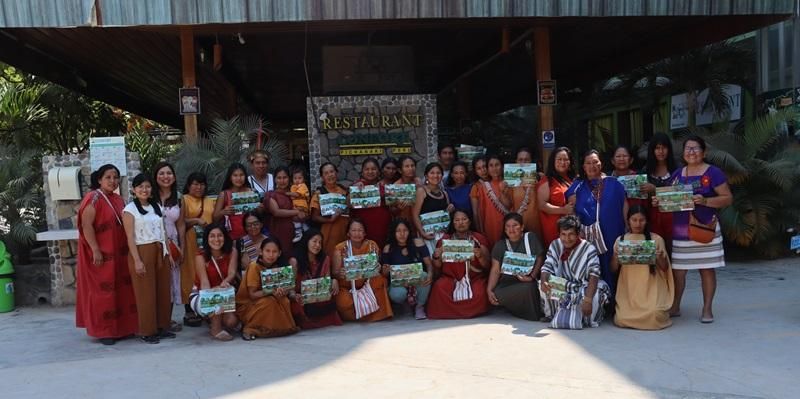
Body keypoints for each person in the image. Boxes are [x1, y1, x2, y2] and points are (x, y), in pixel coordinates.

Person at [658, 135, 732, 323]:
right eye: (687, 149)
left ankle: (707, 309)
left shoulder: (713, 172)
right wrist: (659, 200)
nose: (691, 152)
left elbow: (727, 198)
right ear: (683, 153)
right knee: (679, 271)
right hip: (681, 231)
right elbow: (668, 199)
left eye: (695, 148)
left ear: (704, 152)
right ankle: (675, 306)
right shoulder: (677, 174)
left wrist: (706, 201)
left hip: (704, 229)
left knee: (706, 269)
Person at [75, 164, 138, 345]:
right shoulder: (93, 198)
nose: (113, 181)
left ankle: (123, 329)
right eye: (108, 177)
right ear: (99, 179)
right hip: (101, 255)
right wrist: (95, 249)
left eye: (115, 177)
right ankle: (105, 331)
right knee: (104, 293)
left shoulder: (119, 199)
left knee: (122, 291)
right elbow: (86, 226)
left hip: (119, 254)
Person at [566, 149, 628, 296]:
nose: (592, 166)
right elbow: (570, 209)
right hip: (588, 235)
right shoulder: (577, 186)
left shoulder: (614, 183)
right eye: (588, 163)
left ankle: (615, 303)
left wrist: (628, 227)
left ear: (601, 164)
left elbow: (624, 204)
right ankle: (596, 302)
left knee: (614, 264)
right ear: (583, 166)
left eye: (595, 162)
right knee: (593, 266)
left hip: (613, 231)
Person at [122, 173, 172, 344]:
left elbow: (163, 231)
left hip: (160, 250)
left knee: (163, 291)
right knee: (146, 293)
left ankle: (162, 326)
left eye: (148, 186)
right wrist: (137, 260)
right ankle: (147, 330)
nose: (144, 189)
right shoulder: (129, 210)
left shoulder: (156, 206)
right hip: (142, 251)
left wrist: (168, 253)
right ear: (134, 189)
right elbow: (129, 237)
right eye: (141, 186)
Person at [540, 215, 611, 329]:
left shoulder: (589, 248)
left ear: (578, 234)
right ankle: (552, 315)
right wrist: (544, 281)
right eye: (563, 234)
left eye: (571, 234)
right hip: (564, 285)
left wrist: (587, 300)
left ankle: (586, 319)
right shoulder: (555, 245)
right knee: (542, 285)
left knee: (597, 294)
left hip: (583, 287)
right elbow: (547, 267)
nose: (567, 239)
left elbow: (594, 275)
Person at [611, 206, 674, 330]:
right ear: (628, 220)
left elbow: (665, 268)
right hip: (629, 292)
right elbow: (613, 269)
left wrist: (659, 257)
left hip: (652, 290)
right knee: (621, 318)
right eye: (634, 220)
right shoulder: (621, 240)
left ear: (647, 221)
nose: (638, 224)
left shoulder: (656, 240)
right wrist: (616, 256)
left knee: (654, 314)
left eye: (641, 220)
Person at [428, 209, 491, 319]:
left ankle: (453, 311)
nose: (461, 222)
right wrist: (436, 256)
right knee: (439, 288)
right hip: (450, 278)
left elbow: (487, 266)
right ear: (453, 223)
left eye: (464, 219)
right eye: (457, 220)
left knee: (480, 292)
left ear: (469, 221)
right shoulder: (445, 240)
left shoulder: (478, 238)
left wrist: (480, 256)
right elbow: (437, 265)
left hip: (474, 278)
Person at [237, 237, 300, 340]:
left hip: (270, 298)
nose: (271, 255)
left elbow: (289, 286)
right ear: (261, 252)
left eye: (274, 251)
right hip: (248, 304)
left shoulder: (279, 267)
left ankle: (274, 328)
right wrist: (272, 291)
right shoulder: (254, 267)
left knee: (283, 300)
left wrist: (283, 291)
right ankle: (251, 328)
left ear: (279, 253)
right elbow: (252, 295)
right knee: (268, 302)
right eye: (267, 251)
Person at [332, 218, 393, 322]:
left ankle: (376, 314)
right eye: (354, 230)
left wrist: (378, 268)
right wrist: (339, 274)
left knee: (380, 280)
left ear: (365, 233)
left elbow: (376, 267)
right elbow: (335, 273)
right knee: (343, 302)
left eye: (360, 230)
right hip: (347, 286)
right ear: (348, 233)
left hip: (367, 283)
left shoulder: (372, 245)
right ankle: (360, 315)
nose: (357, 233)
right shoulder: (340, 248)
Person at [486, 213, 545, 321]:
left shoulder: (530, 238)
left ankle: (527, 313)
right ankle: (516, 308)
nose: (511, 229)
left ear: (522, 227)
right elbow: (495, 270)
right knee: (497, 295)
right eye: (507, 226)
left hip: (526, 282)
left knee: (529, 288)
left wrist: (531, 277)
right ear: (504, 229)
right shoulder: (500, 245)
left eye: (515, 225)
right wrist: (489, 290)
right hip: (507, 285)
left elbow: (540, 258)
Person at [191, 223, 240, 341]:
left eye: (220, 236)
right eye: (212, 236)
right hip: (202, 294)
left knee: (231, 322)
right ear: (207, 239)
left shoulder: (232, 251)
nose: (216, 239)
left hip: (226, 291)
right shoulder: (200, 256)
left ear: (225, 237)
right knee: (217, 299)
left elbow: (232, 274)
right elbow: (204, 282)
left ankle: (214, 318)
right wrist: (213, 293)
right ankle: (215, 329)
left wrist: (224, 283)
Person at [179, 172, 215, 327]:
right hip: (190, 241)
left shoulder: (209, 200)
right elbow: (179, 222)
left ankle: (207, 307)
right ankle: (190, 308)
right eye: (195, 184)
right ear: (188, 185)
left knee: (206, 272)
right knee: (190, 273)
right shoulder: (184, 200)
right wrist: (195, 220)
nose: (198, 187)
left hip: (208, 242)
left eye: (201, 184)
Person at [153, 162, 185, 333]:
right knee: (157, 281)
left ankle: (167, 318)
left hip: (173, 244)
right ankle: (155, 319)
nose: (166, 177)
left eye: (169, 173)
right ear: (155, 176)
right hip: (154, 243)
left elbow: (181, 225)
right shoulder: (149, 195)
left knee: (172, 281)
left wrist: (182, 248)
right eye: (161, 173)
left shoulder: (179, 197)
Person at [289, 229, 343, 329]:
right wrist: (293, 295)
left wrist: (333, 280)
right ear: (306, 241)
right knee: (297, 305)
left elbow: (325, 282)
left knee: (333, 296)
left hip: (317, 296)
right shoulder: (294, 261)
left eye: (320, 242)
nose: (317, 245)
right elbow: (290, 286)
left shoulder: (324, 259)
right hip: (301, 297)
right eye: (314, 241)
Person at [382, 219, 433, 319]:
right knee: (397, 295)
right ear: (394, 233)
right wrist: (385, 271)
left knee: (424, 275)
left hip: (417, 282)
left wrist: (430, 273)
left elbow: (429, 264)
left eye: (405, 230)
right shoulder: (388, 248)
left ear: (409, 232)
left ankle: (419, 306)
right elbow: (384, 274)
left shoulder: (418, 243)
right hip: (399, 282)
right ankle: (405, 304)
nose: (402, 234)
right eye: (398, 231)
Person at [640, 133, 677, 254]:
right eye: (657, 148)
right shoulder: (646, 170)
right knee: (657, 254)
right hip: (653, 219)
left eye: (664, 147)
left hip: (674, 219)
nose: (661, 151)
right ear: (652, 150)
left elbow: (681, 195)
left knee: (674, 255)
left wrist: (655, 190)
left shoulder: (677, 169)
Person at [537, 147, 576, 248]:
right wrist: (563, 210)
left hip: (573, 229)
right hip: (555, 230)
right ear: (552, 162)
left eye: (566, 159)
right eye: (559, 159)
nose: (562, 162)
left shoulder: (573, 179)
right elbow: (542, 205)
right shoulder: (547, 181)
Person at [351, 158, 393, 248]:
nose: (370, 171)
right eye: (367, 169)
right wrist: (354, 191)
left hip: (383, 232)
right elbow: (348, 204)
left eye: (373, 169)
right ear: (362, 172)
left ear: (378, 171)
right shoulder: (357, 187)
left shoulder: (385, 188)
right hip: (362, 234)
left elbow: (393, 210)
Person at [413, 162, 453, 253]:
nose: (435, 175)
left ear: (442, 176)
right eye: (432, 173)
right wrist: (422, 233)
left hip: (442, 235)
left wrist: (449, 210)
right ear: (426, 176)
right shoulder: (421, 191)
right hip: (426, 235)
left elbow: (445, 215)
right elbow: (415, 215)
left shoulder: (445, 194)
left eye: (438, 173)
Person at [264, 166, 306, 255]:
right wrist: (297, 212)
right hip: (279, 233)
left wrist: (303, 214)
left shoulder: (295, 194)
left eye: (285, 177)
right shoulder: (271, 195)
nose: (282, 181)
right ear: (275, 179)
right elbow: (276, 212)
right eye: (279, 178)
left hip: (297, 234)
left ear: (289, 178)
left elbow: (305, 211)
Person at [310, 162, 349, 256]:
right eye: (326, 173)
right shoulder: (319, 194)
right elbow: (314, 217)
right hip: (327, 233)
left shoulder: (343, 190)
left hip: (343, 232)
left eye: (332, 171)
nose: (330, 175)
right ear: (322, 177)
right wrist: (330, 220)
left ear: (336, 173)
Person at [473, 154, 511, 248]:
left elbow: (512, 206)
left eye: (497, 165)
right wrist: (481, 233)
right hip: (491, 228)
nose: (494, 168)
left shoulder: (511, 183)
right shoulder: (483, 187)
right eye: (491, 165)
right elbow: (480, 213)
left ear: (502, 166)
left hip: (511, 227)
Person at [213, 163, 257, 241]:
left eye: (241, 175)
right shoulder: (224, 194)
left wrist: (259, 207)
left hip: (251, 235)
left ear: (245, 176)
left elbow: (259, 214)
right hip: (231, 237)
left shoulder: (252, 192)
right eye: (235, 175)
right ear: (230, 177)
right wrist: (223, 212)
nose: (239, 178)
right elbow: (215, 218)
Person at [511, 147, 542, 238]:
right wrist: (503, 192)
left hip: (536, 225)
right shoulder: (512, 181)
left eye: (526, 160)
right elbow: (507, 204)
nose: (523, 163)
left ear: (531, 162)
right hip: (518, 226)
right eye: (520, 160)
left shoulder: (539, 177)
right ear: (516, 162)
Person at [392, 155, 423, 226]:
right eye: (407, 166)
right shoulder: (396, 186)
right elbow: (391, 210)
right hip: (403, 224)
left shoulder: (418, 182)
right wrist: (398, 208)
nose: (411, 168)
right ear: (400, 170)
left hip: (419, 223)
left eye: (412, 166)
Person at [289, 166, 310, 243]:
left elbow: (297, 194)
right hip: (296, 206)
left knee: (297, 221)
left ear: (303, 179)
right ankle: (305, 229)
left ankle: (298, 233)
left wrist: (287, 193)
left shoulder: (303, 186)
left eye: (299, 178)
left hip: (302, 206)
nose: (297, 180)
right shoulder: (293, 186)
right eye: (295, 178)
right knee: (299, 221)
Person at [469, 156, 489, 233]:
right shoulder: (475, 187)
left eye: (484, 166)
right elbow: (475, 213)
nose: (483, 170)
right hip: (485, 222)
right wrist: (479, 231)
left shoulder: (499, 183)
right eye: (479, 168)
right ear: (475, 171)